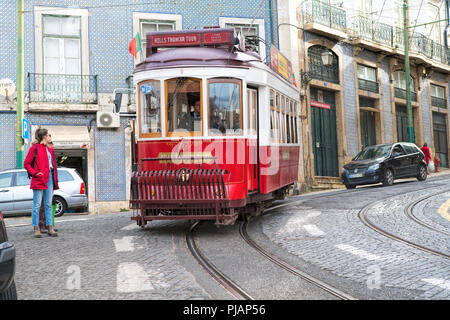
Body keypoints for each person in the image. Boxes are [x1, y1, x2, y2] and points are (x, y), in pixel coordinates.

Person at [24, 128, 59, 238]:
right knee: (37, 205)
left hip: (49, 178)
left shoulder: (49, 148)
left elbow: (52, 164)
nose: (50, 137)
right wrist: (35, 173)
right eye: (49, 135)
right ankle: (36, 228)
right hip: (39, 179)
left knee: (48, 204)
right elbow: (26, 164)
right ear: (44, 136)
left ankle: (50, 227)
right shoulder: (34, 148)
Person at [38, 139, 58, 233]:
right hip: (43, 178)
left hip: (50, 179)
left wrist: (54, 183)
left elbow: (53, 169)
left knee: (48, 204)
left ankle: (49, 225)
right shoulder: (40, 149)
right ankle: (41, 225)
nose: (52, 147)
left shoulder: (50, 153)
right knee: (42, 204)